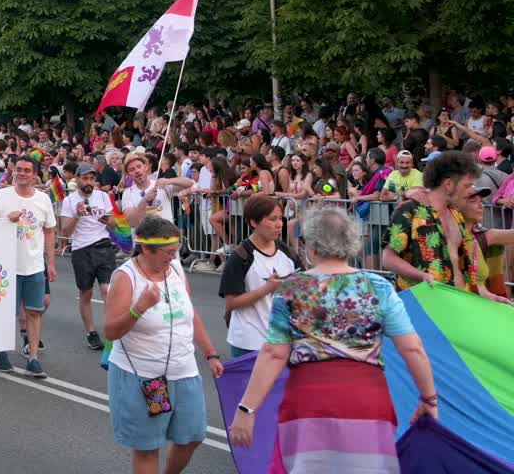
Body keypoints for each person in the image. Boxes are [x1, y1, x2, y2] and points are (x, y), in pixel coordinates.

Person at [228, 209, 437, 471]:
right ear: (351, 243)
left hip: (308, 401)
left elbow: (273, 353)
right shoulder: (379, 287)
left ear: (311, 246)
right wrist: (429, 399)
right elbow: (412, 348)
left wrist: (247, 409)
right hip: (368, 400)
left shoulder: (292, 288)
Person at [104, 216, 223, 474]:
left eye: (176, 251)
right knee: (148, 447)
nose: (173, 257)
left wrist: (211, 352)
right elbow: (111, 331)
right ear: (146, 248)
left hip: (183, 371)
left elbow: (191, 314)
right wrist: (139, 309)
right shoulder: (126, 277)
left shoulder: (176, 269)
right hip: (147, 378)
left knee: (192, 437)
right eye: (168, 252)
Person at [382, 151, 492, 297]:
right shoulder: (409, 210)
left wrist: (489, 296)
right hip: (421, 304)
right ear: (448, 184)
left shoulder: (456, 214)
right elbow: (388, 259)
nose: (471, 191)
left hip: (456, 302)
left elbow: (461, 269)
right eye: (467, 185)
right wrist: (422, 276)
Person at [0, 155, 57, 379]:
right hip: (7, 267)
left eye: (27, 170)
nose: (23, 173)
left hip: (34, 266)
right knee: (7, 314)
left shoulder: (43, 199)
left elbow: (49, 231)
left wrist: (51, 264)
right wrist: (7, 220)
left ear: (35, 174)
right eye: (19, 169)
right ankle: (1, 350)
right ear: (13, 171)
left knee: (35, 312)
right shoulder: (2, 196)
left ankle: (33, 358)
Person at [218, 195, 299, 359]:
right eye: (272, 219)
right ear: (254, 222)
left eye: (280, 218)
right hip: (248, 343)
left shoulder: (287, 253)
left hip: (283, 340)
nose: (279, 224)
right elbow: (232, 302)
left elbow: (302, 290)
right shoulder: (240, 256)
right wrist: (266, 289)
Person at [59, 164, 113, 351]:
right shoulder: (70, 200)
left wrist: (105, 218)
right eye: (85, 179)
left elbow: (113, 223)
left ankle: (113, 333)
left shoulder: (103, 196)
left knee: (108, 291)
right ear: (78, 180)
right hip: (82, 249)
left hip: (104, 246)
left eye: (91, 179)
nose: (88, 182)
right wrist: (77, 214)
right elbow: (65, 230)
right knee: (86, 293)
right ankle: (91, 332)